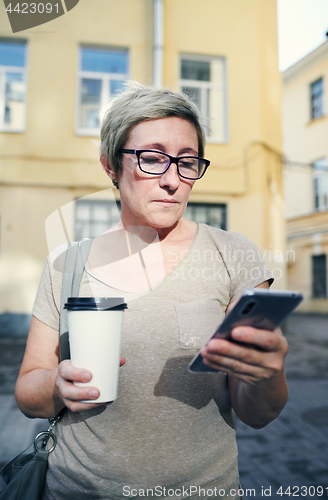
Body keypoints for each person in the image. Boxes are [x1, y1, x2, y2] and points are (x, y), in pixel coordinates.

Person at [15, 82, 288, 500]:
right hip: (75, 490)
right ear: (110, 165)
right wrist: (55, 385)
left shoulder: (234, 255)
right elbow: (28, 391)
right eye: (153, 158)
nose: (173, 180)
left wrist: (266, 373)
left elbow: (258, 413)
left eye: (187, 162)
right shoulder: (67, 265)